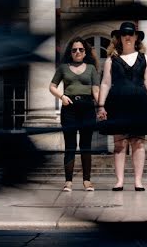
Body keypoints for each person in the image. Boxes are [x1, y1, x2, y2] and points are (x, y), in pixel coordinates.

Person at [97, 21, 147, 191]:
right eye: (124, 33)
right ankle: (119, 181)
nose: (128, 36)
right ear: (119, 37)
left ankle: (138, 181)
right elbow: (105, 84)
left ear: (136, 37)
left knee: (138, 143)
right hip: (117, 105)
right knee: (119, 144)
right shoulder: (111, 60)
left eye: (131, 33)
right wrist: (101, 106)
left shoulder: (144, 58)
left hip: (140, 104)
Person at [49, 37, 100, 192]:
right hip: (69, 107)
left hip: (87, 108)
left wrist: (103, 108)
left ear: (85, 52)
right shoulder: (63, 68)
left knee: (86, 146)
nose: (77, 52)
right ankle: (68, 182)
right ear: (70, 52)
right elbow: (52, 86)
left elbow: (96, 91)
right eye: (74, 50)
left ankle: (87, 181)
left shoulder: (91, 68)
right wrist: (62, 97)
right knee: (70, 146)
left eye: (81, 49)